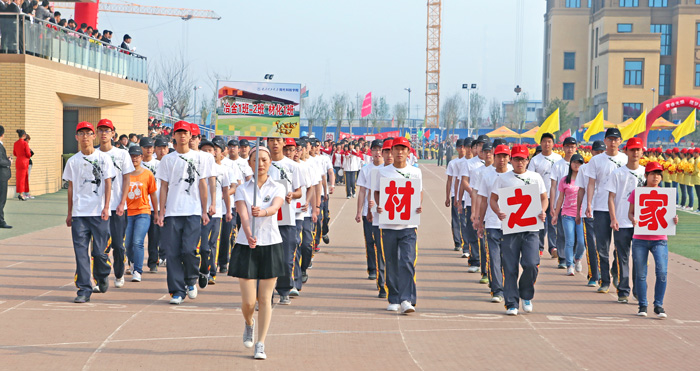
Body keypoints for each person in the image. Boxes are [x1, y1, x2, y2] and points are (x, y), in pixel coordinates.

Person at [229, 145, 285, 360]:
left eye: (264, 160)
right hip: (246, 245)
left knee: (265, 298)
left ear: (270, 162)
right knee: (249, 302)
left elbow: (275, 208)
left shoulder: (277, 186)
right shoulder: (243, 189)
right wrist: (250, 233)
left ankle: (260, 343)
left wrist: (263, 211)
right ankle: (249, 323)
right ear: (249, 163)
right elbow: (243, 216)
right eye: (255, 160)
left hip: (271, 244)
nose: (260, 164)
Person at [155, 121, 212, 305]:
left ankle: (190, 280)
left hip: (193, 211)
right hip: (172, 212)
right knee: (172, 253)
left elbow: (203, 185)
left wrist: (204, 211)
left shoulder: (200, 158)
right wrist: (161, 212)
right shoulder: (167, 160)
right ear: (174, 136)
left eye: (185, 133)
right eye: (178, 133)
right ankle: (177, 291)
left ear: (190, 135)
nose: (182, 136)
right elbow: (163, 187)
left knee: (189, 250)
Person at [490, 144, 548, 316]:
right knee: (509, 267)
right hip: (510, 229)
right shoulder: (503, 178)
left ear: (527, 161)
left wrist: (542, 211)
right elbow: (493, 199)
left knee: (531, 264)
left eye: (523, 159)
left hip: (531, 229)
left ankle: (526, 294)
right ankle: (511, 303)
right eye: (516, 159)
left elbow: (544, 198)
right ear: (511, 160)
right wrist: (498, 211)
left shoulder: (536, 177)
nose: (519, 163)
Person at [62, 121, 116, 303]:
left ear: (94, 136)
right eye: (81, 133)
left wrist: (106, 206)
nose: (85, 137)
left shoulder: (104, 159)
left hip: (98, 212)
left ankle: (102, 274)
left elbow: (108, 183)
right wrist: (70, 212)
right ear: (76, 137)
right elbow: (70, 188)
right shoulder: (72, 161)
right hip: (79, 213)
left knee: (100, 252)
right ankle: (84, 288)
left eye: (88, 133)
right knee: (80, 252)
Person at [373, 137, 423, 314]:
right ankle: (393, 297)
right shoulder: (383, 172)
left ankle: (407, 299)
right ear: (391, 152)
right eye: (397, 149)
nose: (400, 152)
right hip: (388, 226)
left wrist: (418, 204)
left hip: (409, 225)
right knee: (391, 262)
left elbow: (419, 192)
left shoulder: (415, 172)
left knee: (408, 261)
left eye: (404, 149)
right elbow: (378, 192)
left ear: (409, 152)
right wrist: (380, 205)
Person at [629, 161, 678, 318]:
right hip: (640, 239)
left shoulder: (666, 194)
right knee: (641, 274)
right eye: (652, 174)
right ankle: (642, 305)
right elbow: (630, 213)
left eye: (658, 174)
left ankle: (659, 305)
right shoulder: (637, 193)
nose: (656, 177)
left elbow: (669, 216)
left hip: (660, 239)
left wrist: (674, 220)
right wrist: (633, 219)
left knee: (662, 272)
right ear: (646, 176)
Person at [583, 128, 627, 294]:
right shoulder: (596, 160)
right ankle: (605, 281)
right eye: (610, 139)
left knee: (620, 246)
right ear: (605, 141)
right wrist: (588, 203)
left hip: (621, 209)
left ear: (620, 141)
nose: (613, 142)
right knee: (602, 246)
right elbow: (591, 183)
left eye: (616, 139)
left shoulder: (625, 159)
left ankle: (616, 271)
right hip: (601, 207)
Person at [96, 119, 134, 289]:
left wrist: (122, 202)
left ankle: (119, 273)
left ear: (113, 133)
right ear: (96, 133)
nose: (104, 133)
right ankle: (101, 278)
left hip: (118, 207)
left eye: (107, 130)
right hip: (97, 209)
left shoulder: (122, 154)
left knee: (118, 245)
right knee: (99, 247)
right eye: (101, 130)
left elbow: (127, 179)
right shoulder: (93, 154)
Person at [606, 137, 645, 304]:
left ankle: (638, 290)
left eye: (638, 150)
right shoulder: (617, 173)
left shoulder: (647, 173)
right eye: (632, 150)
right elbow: (611, 197)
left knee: (639, 258)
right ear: (626, 151)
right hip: (622, 220)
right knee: (623, 256)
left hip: (642, 223)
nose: (635, 153)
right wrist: (613, 218)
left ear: (642, 152)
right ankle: (623, 290)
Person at [267, 137, 303, 305]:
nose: (275, 143)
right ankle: (266, 292)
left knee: (287, 257)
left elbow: (299, 192)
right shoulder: (262, 164)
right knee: (268, 256)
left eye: (278, 140)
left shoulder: (293, 166)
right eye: (272, 140)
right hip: (266, 217)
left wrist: (290, 195)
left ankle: (284, 290)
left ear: (284, 143)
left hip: (287, 216)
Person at [476, 144, 512, 303]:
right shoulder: (488, 176)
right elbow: (483, 200)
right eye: (499, 156)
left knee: (508, 259)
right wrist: (479, 221)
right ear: (494, 157)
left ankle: (508, 287)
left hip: (512, 225)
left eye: (505, 156)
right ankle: (497, 290)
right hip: (492, 223)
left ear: (509, 158)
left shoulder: (515, 174)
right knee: (494, 258)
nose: (502, 160)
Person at [198, 138, 232, 287]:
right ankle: (201, 269)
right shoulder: (196, 167)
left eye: (210, 150)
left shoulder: (223, 170)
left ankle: (211, 272)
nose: (208, 153)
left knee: (212, 243)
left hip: (215, 213)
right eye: (204, 150)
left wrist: (229, 211)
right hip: (197, 212)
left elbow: (226, 191)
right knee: (202, 246)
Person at [124, 145, 157, 283]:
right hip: (127, 213)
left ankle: (138, 270)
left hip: (143, 212)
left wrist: (157, 212)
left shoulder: (147, 174)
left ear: (141, 158)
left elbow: (153, 194)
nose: (134, 159)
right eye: (132, 156)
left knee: (138, 241)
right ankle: (132, 262)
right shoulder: (124, 174)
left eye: (137, 156)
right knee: (128, 244)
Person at [575, 140, 606, 287]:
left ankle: (608, 272)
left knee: (604, 246)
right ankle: (594, 275)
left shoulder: (609, 166)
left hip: (605, 210)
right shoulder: (584, 169)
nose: (599, 155)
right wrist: (578, 210)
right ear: (591, 152)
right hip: (589, 212)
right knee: (591, 245)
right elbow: (581, 189)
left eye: (602, 152)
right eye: (597, 152)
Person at [528, 133, 562, 258]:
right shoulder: (535, 160)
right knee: (540, 222)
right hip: (539, 197)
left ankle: (553, 247)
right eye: (544, 141)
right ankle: (539, 247)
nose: (547, 144)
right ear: (540, 143)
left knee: (553, 223)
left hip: (555, 196)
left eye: (549, 141)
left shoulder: (558, 159)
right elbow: (530, 178)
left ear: (553, 144)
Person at [552, 153, 586, 276]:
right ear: (570, 164)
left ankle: (577, 258)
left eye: (580, 163)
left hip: (581, 215)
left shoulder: (585, 179)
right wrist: (556, 214)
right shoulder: (564, 180)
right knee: (569, 241)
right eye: (575, 162)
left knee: (582, 242)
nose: (577, 165)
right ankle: (569, 265)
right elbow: (560, 198)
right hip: (567, 214)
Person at [355, 139, 384, 283]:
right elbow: (361, 191)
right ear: (371, 152)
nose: (378, 152)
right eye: (375, 150)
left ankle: (382, 268)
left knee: (382, 243)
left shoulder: (388, 169)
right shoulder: (366, 169)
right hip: (369, 212)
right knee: (370, 241)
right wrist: (359, 211)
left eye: (380, 149)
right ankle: (372, 269)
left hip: (384, 212)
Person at [549, 136, 578, 268]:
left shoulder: (580, 164)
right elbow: (553, 186)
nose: (570, 149)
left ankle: (572, 256)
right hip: (562, 204)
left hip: (576, 205)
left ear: (576, 148)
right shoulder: (558, 165)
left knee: (576, 233)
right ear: (563, 148)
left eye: (572, 147)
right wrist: (553, 205)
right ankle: (562, 258)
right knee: (561, 231)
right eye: (567, 146)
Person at [445, 139, 465, 252]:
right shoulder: (453, 163)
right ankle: (458, 242)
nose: (462, 149)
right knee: (456, 219)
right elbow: (449, 180)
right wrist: (448, 196)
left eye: (464, 147)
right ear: (457, 149)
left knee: (465, 220)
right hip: (455, 195)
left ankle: (466, 242)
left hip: (468, 196)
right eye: (460, 147)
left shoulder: (470, 162)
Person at [13, 129, 31, 200]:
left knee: (19, 177)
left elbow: (15, 153)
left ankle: (21, 193)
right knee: (23, 178)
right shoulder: (25, 143)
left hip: (18, 161)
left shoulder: (15, 143)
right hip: (24, 162)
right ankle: (21, 194)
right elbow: (28, 154)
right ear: (24, 135)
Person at [0, 125, 12, 229]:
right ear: (2, 135)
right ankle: (1, 221)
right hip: (1, 177)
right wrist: (9, 161)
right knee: (1, 200)